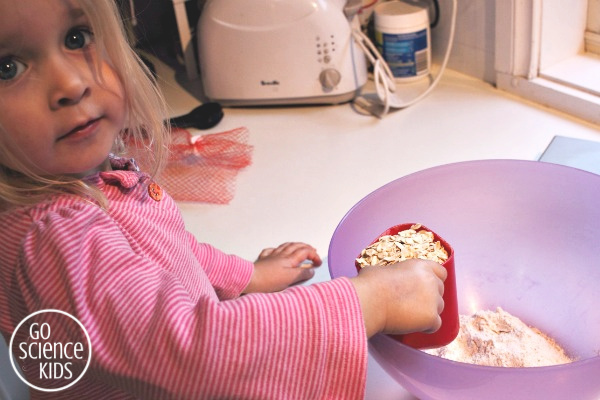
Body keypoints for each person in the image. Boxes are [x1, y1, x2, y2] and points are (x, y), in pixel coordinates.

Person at [0, 0, 447, 399]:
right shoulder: (55, 239)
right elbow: (195, 352)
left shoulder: (89, 180)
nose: (72, 84)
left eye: (77, 38)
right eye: (8, 67)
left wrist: (246, 275)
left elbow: (168, 253)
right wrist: (371, 301)